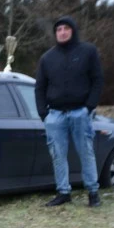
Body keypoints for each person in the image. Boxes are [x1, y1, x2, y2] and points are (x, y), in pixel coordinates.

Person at [35, 16, 104, 208]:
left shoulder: (88, 52)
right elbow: (40, 87)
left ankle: (93, 192)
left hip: (80, 112)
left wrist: (89, 107)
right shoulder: (47, 58)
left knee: (86, 152)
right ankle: (63, 192)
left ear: (73, 30)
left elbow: (97, 80)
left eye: (66, 28)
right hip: (55, 115)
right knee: (58, 154)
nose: (62, 32)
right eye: (58, 29)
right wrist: (44, 114)